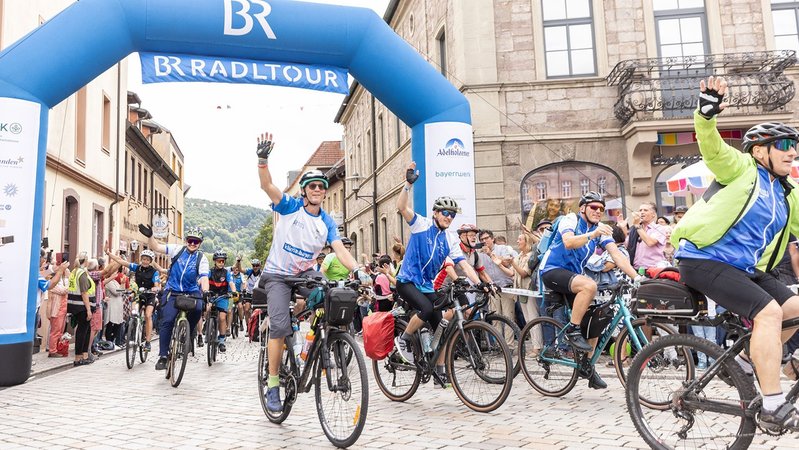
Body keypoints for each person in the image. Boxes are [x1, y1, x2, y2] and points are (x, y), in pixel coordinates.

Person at [671, 75, 799, 431]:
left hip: (745, 268)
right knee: (770, 313)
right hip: (703, 259)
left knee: (794, 310)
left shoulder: (787, 192)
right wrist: (706, 112)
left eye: (795, 144)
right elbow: (711, 147)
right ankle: (772, 406)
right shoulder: (741, 169)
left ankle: (744, 360)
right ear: (760, 151)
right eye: (785, 143)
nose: (793, 150)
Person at [252, 131, 358, 414]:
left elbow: (339, 249)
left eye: (321, 188)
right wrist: (262, 161)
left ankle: (320, 341)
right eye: (312, 186)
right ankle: (273, 383)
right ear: (305, 190)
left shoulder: (326, 221)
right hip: (276, 275)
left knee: (337, 298)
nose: (317, 190)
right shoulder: (290, 207)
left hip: (306, 274)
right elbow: (269, 187)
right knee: (280, 326)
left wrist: (358, 270)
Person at [393, 161, 492, 385]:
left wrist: (480, 284)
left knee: (443, 326)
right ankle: (405, 339)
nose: (449, 217)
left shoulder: (450, 239)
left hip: (427, 286)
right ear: (436, 213)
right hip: (407, 281)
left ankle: (439, 370)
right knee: (427, 309)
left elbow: (465, 265)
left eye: (452, 215)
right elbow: (402, 207)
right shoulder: (422, 224)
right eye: (445, 213)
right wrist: (407, 184)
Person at [539, 191, 639, 389]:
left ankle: (586, 366)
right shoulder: (571, 220)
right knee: (589, 285)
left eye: (602, 209)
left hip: (573, 277)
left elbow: (617, 256)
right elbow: (569, 242)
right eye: (594, 207)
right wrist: (592, 235)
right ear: (583, 208)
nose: (598, 211)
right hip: (552, 270)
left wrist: (637, 277)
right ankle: (573, 331)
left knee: (597, 317)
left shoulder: (600, 230)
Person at [144, 225, 210, 371]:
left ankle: (188, 332)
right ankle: (162, 356)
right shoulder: (176, 249)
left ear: (200, 243)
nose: (192, 243)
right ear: (186, 240)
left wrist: (205, 291)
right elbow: (156, 247)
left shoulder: (202, 258)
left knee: (199, 308)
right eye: (190, 240)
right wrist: (150, 236)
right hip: (172, 290)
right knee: (166, 321)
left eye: (196, 241)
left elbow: (204, 277)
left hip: (191, 290)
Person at [107, 249, 161, 352]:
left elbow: (157, 285)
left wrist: (156, 288)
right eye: (143, 259)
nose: (145, 261)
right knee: (134, 313)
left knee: (148, 315)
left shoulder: (154, 272)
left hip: (150, 295)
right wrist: (109, 254)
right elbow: (121, 261)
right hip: (140, 294)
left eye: (147, 260)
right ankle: (135, 326)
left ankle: (148, 342)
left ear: (150, 261)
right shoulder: (137, 267)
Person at [479, 229, 518, 346]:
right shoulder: (480, 254)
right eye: (482, 239)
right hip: (492, 289)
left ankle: (509, 345)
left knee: (508, 317)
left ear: (492, 239)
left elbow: (508, 262)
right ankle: (499, 345)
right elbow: (481, 271)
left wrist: (491, 254)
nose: (484, 241)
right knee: (495, 319)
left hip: (506, 287)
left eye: (486, 238)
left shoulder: (502, 249)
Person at [66, 253, 97, 366]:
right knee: (82, 331)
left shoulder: (74, 271)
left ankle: (84, 355)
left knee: (85, 330)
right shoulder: (82, 273)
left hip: (74, 305)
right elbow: (84, 293)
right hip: (82, 306)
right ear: (86, 261)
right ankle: (78, 358)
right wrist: (88, 309)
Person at [625, 202, 670, 271]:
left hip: (654, 269)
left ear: (653, 215)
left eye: (645, 210)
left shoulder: (659, 228)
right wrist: (623, 228)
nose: (642, 213)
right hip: (637, 269)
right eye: (640, 210)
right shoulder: (634, 229)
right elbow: (626, 245)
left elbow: (650, 242)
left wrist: (637, 226)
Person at [206, 251, 236, 353]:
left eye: (223, 261)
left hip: (223, 296)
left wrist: (234, 291)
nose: (221, 263)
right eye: (219, 261)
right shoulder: (210, 272)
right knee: (207, 309)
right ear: (215, 261)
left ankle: (222, 340)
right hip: (211, 295)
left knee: (222, 317)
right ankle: (208, 327)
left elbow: (231, 282)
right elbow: (204, 279)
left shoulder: (226, 273)